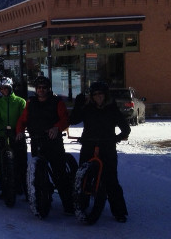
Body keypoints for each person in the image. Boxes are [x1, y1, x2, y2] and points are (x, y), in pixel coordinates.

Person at [69, 81, 130, 223]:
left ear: (105, 95)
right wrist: (78, 105)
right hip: (89, 145)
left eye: (100, 94)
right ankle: (81, 205)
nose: (98, 97)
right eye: (95, 94)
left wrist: (116, 138)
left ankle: (119, 212)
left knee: (111, 180)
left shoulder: (112, 109)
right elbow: (73, 120)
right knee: (83, 177)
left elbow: (125, 128)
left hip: (107, 147)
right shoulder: (87, 108)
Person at [15, 76, 74, 214]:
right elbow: (22, 120)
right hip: (37, 140)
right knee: (38, 174)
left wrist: (57, 128)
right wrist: (19, 131)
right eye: (39, 88)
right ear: (36, 89)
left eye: (44, 88)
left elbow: (65, 119)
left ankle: (69, 204)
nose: (41, 90)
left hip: (53, 141)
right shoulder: (31, 103)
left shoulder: (56, 102)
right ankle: (43, 199)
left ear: (48, 89)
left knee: (59, 174)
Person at [0, 77, 27, 199]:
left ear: (11, 88)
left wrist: (20, 130)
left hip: (17, 135)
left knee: (20, 162)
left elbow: (23, 118)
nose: (4, 91)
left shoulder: (20, 102)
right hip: (2, 135)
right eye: (2, 89)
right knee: (1, 163)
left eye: (6, 88)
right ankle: (4, 187)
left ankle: (23, 186)